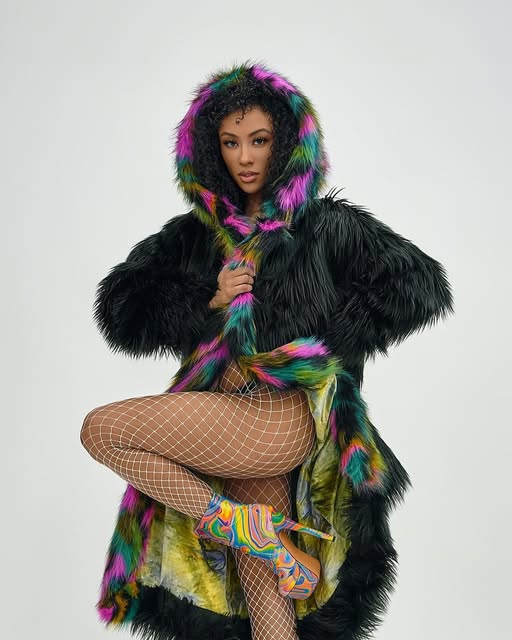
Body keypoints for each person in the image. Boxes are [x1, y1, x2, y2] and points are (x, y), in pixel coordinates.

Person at [80, 60, 454, 640]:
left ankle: (237, 524)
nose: (246, 157)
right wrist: (209, 298)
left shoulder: (327, 226)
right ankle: (263, 538)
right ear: (210, 152)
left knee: (102, 430)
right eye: (231, 143)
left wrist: (321, 349)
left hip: (279, 417)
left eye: (259, 140)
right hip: (223, 415)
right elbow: (122, 307)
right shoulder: (190, 237)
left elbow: (420, 285)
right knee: (267, 599)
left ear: (286, 145)